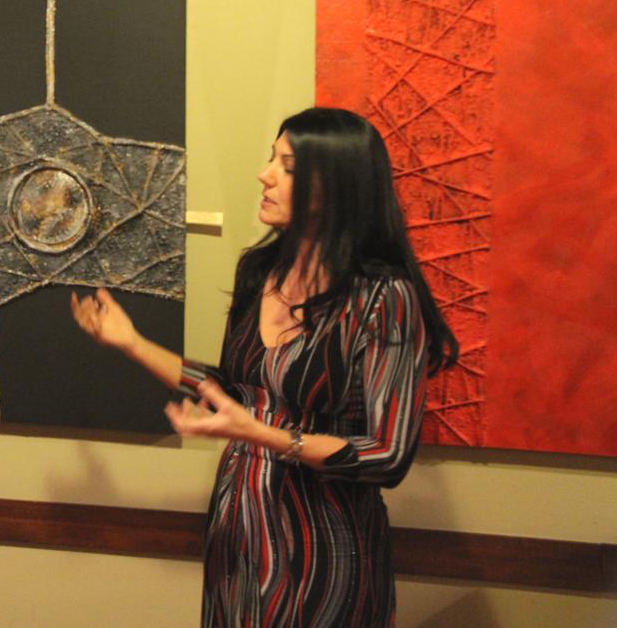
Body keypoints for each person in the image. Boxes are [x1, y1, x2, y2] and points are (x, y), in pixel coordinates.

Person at [71, 107, 457, 627]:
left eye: (288, 166)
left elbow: (388, 455)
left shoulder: (383, 297)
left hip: (324, 551)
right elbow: (234, 392)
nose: (264, 175)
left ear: (337, 187)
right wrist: (132, 343)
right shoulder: (260, 269)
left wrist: (264, 435)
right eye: (271, 159)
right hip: (238, 534)